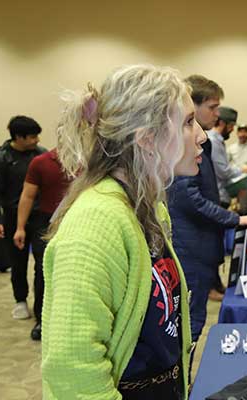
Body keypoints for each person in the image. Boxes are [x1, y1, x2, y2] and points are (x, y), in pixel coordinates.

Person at [41, 65, 201, 399]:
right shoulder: (96, 222)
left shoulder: (148, 207)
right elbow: (72, 371)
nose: (201, 135)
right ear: (147, 138)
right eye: (188, 122)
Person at [167, 75, 247, 344]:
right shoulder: (184, 143)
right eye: (213, 107)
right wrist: (234, 218)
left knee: (194, 319)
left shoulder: (201, 141)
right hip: (191, 246)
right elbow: (190, 199)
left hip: (201, 243)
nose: (217, 115)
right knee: (190, 323)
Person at [0, 115, 46, 320]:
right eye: (32, 137)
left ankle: (41, 305)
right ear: (18, 137)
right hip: (12, 217)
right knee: (17, 263)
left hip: (39, 217)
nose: (36, 140)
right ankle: (20, 300)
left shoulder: (41, 156)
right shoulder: (1, 159)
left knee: (41, 262)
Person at [13, 147, 71, 340]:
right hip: (46, 222)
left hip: (78, 218)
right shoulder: (41, 162)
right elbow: (28, 196)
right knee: (43, 270)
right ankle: (42, 320)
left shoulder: (89, 161)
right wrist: (20, 227)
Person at [207, 106, 247, 206]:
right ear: (222, 123)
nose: (232, 130)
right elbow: (223, 172)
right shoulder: (214, 142)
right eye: (231, 126)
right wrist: (241, 170)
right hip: (218, 197)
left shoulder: (217, 140)